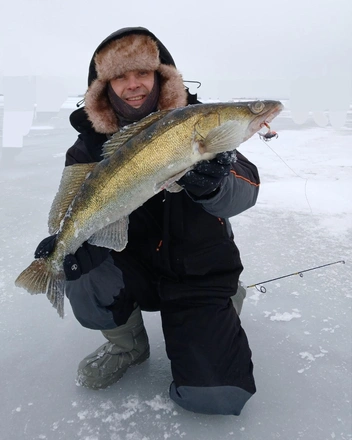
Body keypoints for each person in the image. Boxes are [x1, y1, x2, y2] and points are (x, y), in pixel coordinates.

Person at [36, 27, 260, 415]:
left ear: (161, 76)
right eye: (120, 76)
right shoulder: (88, 146)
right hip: (132, 266)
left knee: (216, 395)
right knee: (83, 275)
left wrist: (213, 184)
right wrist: (72, 249)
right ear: (104, 87)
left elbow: (247, 190)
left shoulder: (200, 122)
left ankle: (216, 311)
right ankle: (129, 346)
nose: (133, 85)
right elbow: (77, 206)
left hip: (197, 271)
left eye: (142, 73)